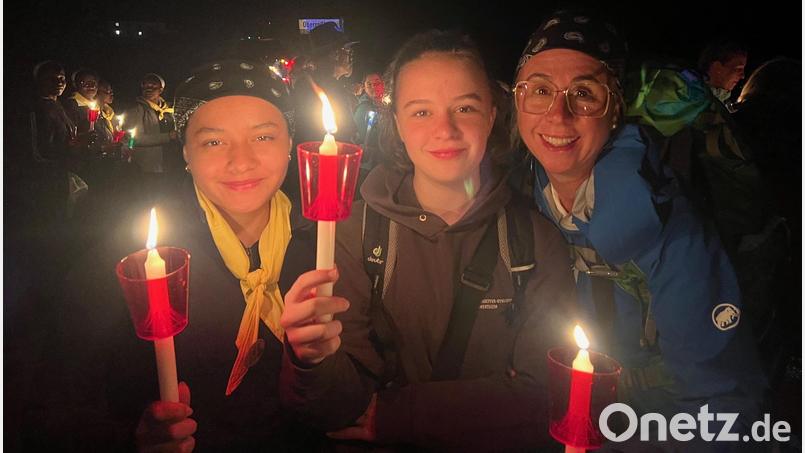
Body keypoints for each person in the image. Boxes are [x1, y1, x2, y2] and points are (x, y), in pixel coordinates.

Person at [279, 30, 576, 451]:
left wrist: (403, 414)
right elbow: (337, 409)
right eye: (421, 112)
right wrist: (309, 362)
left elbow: (548, 394)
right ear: (397, 123)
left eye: (466, 108)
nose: (446, 129)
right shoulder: (357, 233)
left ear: (492, 116)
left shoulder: (533, 242)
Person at [28, 59, 324, 452]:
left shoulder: (323, 243)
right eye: (214, 141)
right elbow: (57, 405)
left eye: (264, 137)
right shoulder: (132, 259)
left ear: (290, 144)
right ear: (186, 152)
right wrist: (132, 439)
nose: (241, 161)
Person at [512, 9, 766, 449]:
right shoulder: (520, 199)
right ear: (517, 102)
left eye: (585, 93)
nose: (558, 114)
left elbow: (723, 410)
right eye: (539, 90)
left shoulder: (670, 231)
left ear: (615, 110)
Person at [125, 72, 179, 203]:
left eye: (153, 86)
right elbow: (136, 139)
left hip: (170, 164)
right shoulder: (136, 109)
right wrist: (168, 136)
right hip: (149, 168)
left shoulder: (169, 109)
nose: (148, 89)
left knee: (170, 203)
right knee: (150, 202)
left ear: (161, 89)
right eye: (145, 86)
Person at [697, 38, 747, 111]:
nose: (742, 76)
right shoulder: (695, 104)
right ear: (717, 67)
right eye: (738, 69)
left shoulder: (721, 105)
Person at [62, 68, 99, 134]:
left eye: (93, 82)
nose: (91, 86)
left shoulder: (96, 106)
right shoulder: (71, 106)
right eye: (84, 83)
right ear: (76, 85)